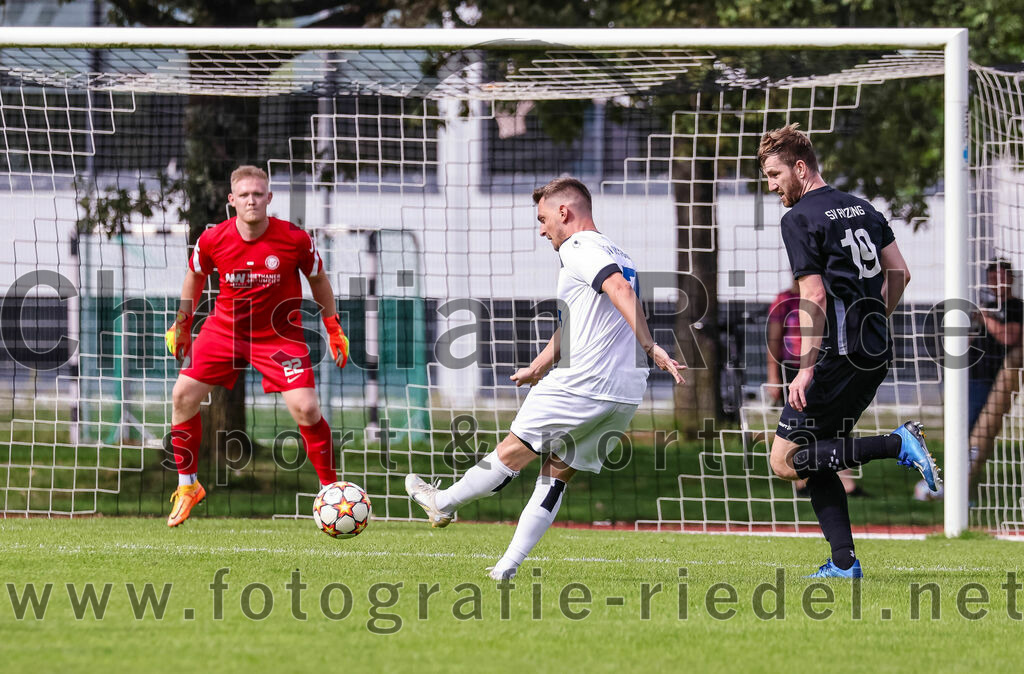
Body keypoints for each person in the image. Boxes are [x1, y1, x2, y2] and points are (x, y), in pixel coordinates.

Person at [404, 177, 684, 580]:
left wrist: (650, 345)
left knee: (512, 453)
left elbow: (618, 288)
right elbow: (581, 319)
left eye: (543, 218)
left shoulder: (578, 246)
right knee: (556, 474)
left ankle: (443, 502)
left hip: (584, 381)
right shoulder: (617, 250)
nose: (541, 229)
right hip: (624, 392)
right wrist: (539, 365)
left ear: (564, 213)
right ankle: (507, 566)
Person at [758, 124, 939, 578]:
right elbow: (899, 274)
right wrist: (874, 319)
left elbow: (814, 296)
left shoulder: (798, 219)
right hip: (874, 351)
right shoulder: (862, 207)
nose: (772, 185)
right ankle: (843, 562)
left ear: (801, 168)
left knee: (784, 461)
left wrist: (803, 369)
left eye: (776, 174)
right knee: (818, 453)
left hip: (835, 355)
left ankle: (897, 442)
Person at [163, 165, 350, 527]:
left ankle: (331, 491)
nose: (252, 200)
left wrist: (332, 325)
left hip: (279, 337)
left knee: (307, 410)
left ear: (269, 198)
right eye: (244, 195)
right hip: (224, 332)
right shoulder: (213, 238)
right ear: (232, 200)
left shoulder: (294, 239)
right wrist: (182, 326)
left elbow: (319, 279)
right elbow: (195, 275)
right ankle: (188, 487)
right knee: (182, 396)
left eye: (258, 194)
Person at [767, 280, 860, 496]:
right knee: (800, 431)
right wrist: (772, 375)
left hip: (825, 365)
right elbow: (774, 340)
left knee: (838, 426)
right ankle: (803, 482)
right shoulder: (784, 301)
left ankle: (847, 482)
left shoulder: (828, 295)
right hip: (794, 369)